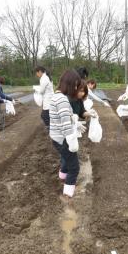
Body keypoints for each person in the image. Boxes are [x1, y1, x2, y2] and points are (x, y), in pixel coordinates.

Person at [49, 70, 81, 198]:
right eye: (74, 85)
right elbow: (65, 124)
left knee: (67, 160)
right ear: (68, 84)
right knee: (74, 168)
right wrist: (71, 141)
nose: (75, 88)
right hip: (63, 139)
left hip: (56, 138)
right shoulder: (62, 99)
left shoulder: (55, 96)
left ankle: (62, 177)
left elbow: (62, 116)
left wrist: (75, 120)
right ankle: (67, 196)